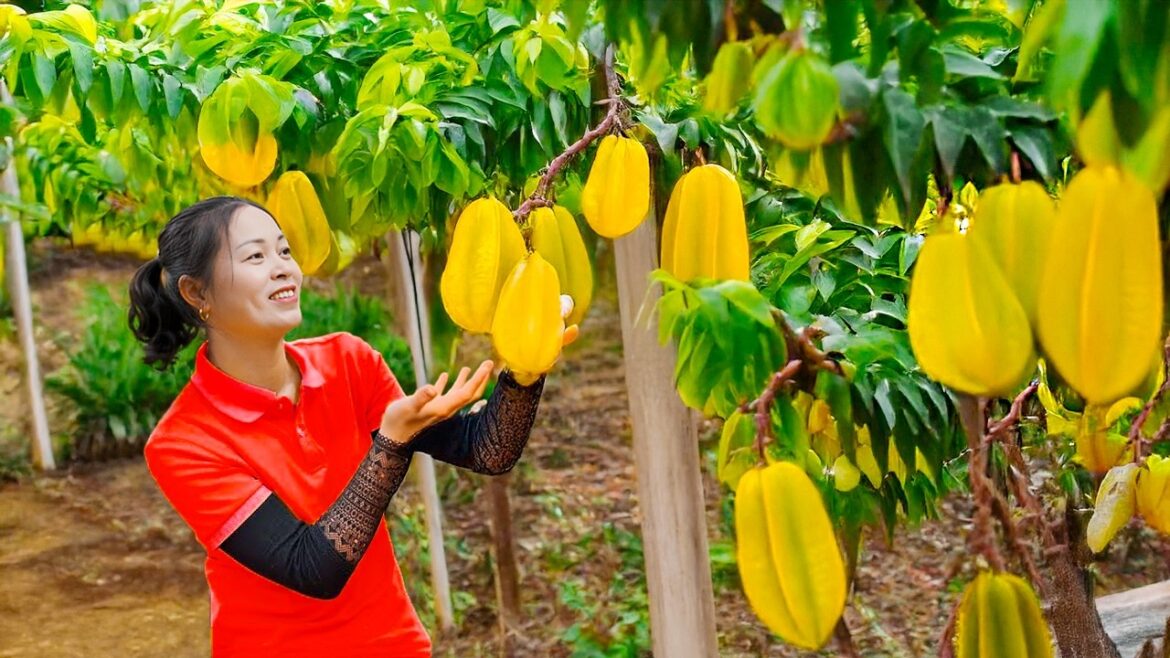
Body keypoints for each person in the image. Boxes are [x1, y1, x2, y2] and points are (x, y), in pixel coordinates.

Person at [127, 196, 577, 657]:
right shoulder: (183, 443)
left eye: (284, 251)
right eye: (255, 257)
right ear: (196, 293)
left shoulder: (347, 362)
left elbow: (487, 450)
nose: (283, 269)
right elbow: (312, 569)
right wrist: (392, 444)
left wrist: (526, 368)